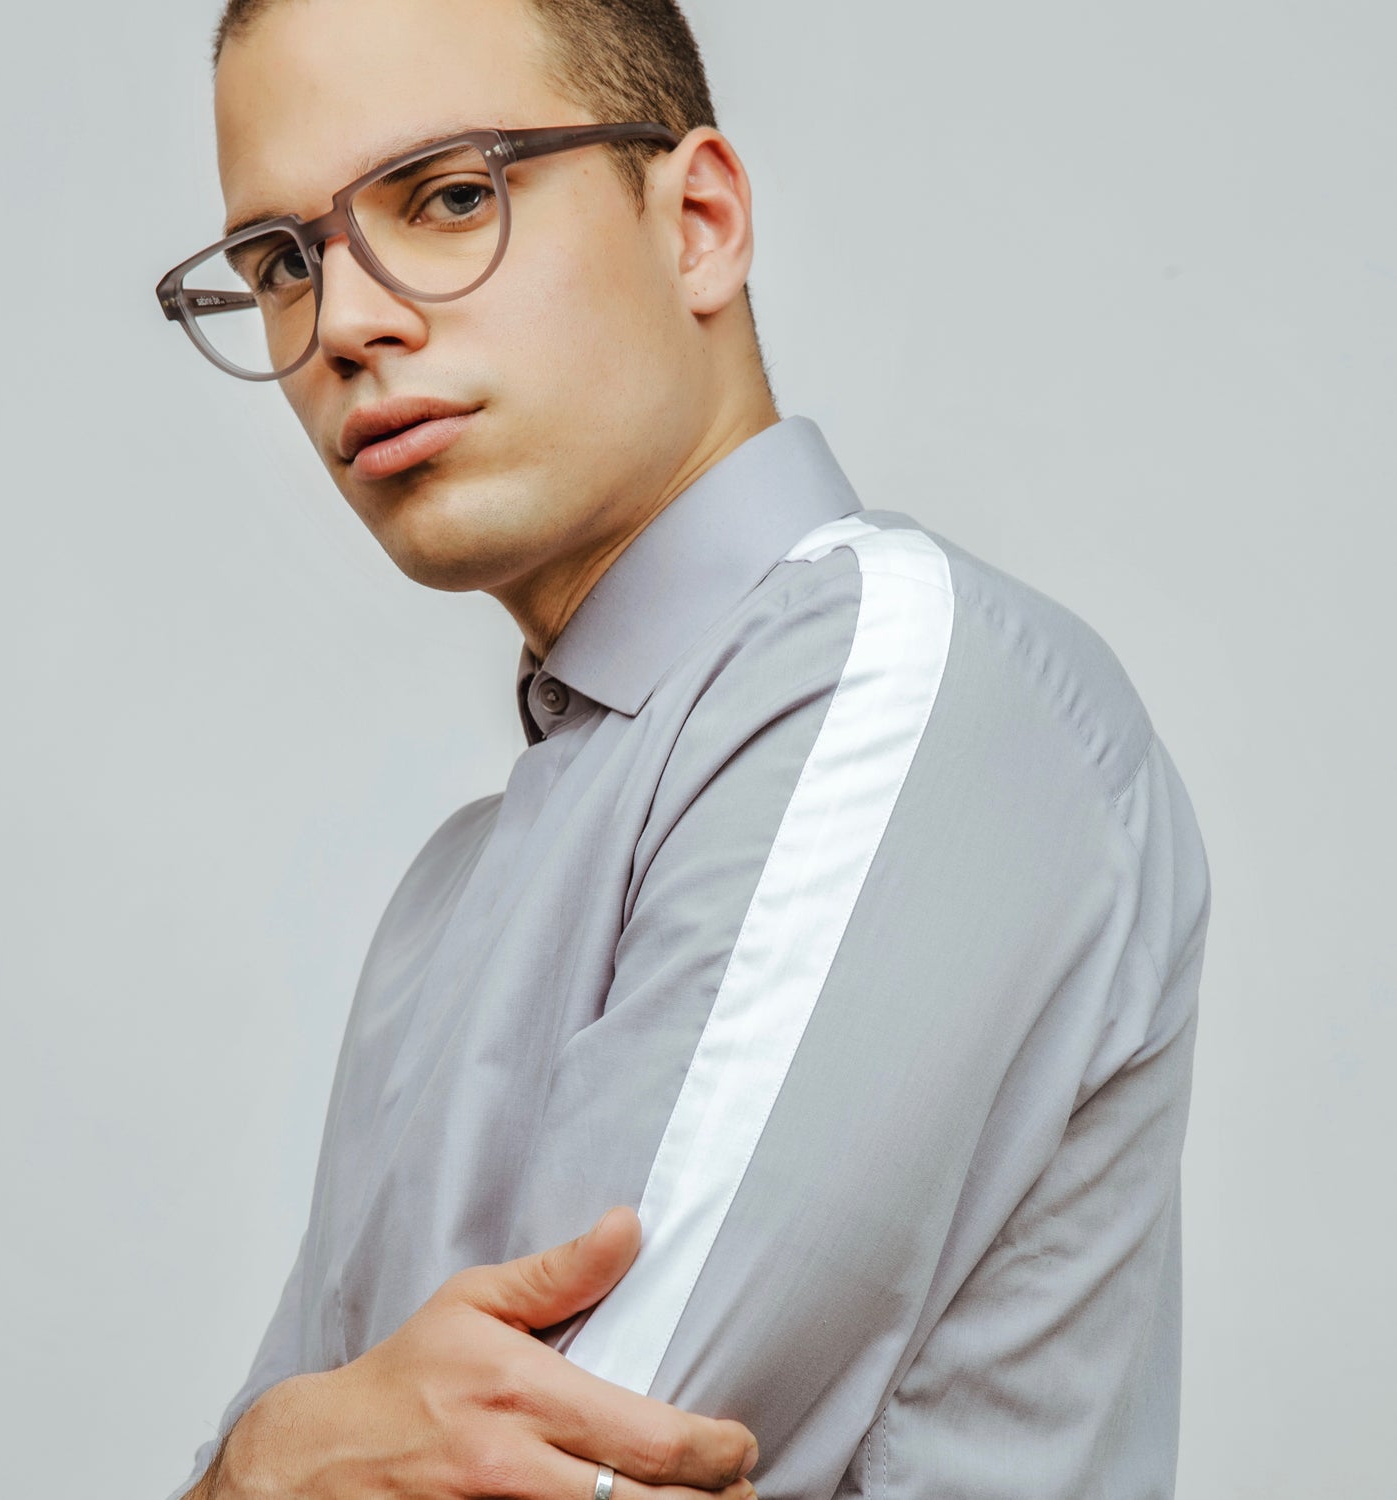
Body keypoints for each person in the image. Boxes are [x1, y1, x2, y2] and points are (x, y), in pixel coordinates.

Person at [155, 1, 1212, 1496]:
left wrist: (257, 1467)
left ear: (700, 220)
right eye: (281, 263)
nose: (343, 325)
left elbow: (572, 1475)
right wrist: (273, 1461)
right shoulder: (454, 896)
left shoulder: (886, 671)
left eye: (450, 197)